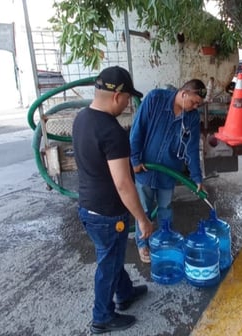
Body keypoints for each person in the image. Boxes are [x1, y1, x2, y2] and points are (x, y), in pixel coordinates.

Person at [72, 66, 154, 334]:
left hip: (88, 208)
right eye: (128, 98)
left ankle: (125, 292)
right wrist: (142, 219)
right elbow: (123, 183)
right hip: (108, 214)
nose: (129, 104)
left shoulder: (81, 118)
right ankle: (102, 317)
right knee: (109, 262)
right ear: (117, 97)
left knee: (113, 256)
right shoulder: (113, 132)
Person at [129, 79, 206, 263]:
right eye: (194, 102)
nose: (195, 107)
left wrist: (196, 177)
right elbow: (137, 130)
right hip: (145, 169)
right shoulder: (155, 99)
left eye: (198, 105)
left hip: (169, 172)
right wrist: (135, 159)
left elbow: (192, 149)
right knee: (144, 209)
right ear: (184, 93)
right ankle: (143, 244)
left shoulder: (192, 118)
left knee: (165, 209)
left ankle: (165, 240)